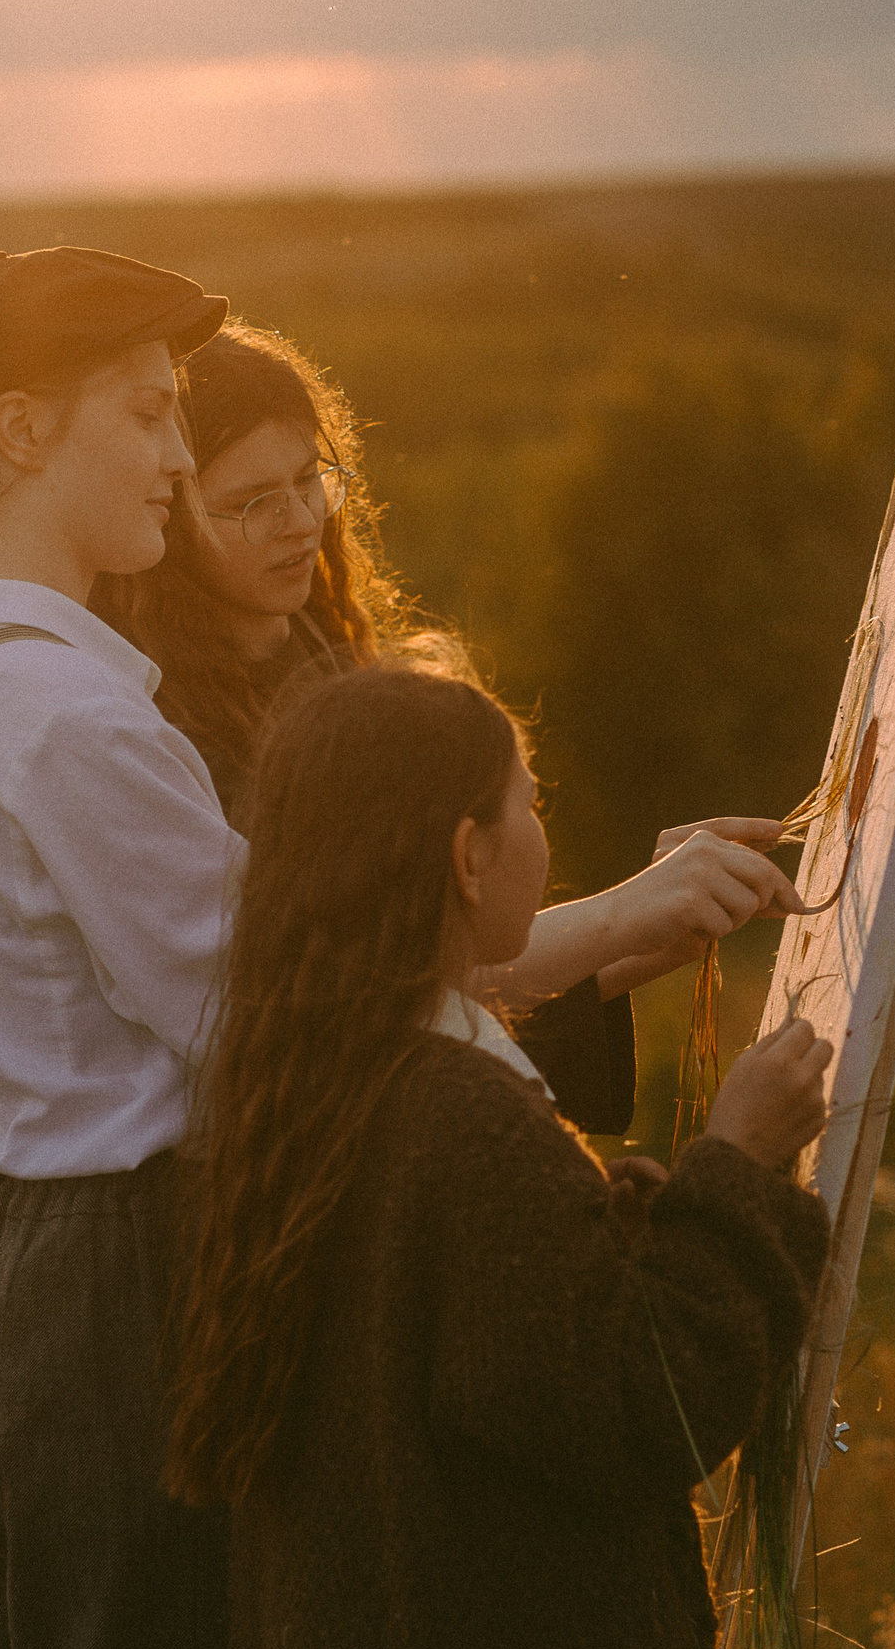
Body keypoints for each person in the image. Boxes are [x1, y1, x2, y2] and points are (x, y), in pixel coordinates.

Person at [0, 251, 808, 1649]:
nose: (172, 456)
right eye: (143, 414)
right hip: (119, 1281)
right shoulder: (67, 716)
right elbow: (302, 1004)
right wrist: (616, 959)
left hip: (40, 1265)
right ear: (18, 431)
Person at [166, 665, 834, 1649]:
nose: (541, 830)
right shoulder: (458, 1119)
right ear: (467, 858)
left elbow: (508, 1342)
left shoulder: (313, 1072)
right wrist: (736, 1160)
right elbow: (639, 1407)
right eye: (531, 802)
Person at [93, 321, 782, 1131]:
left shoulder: (326, 656)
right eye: (251, 503)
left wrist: (639, 933)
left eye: (309, 479)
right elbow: (346, 1006)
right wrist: (617, 916)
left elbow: (436, 966)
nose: (299, 520)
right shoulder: (151, 729)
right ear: (167, 518)